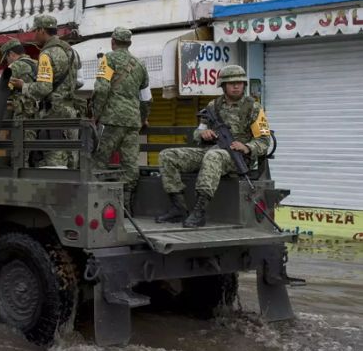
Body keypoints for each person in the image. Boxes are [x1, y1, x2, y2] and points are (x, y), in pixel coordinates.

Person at [155, 65, 271, 228]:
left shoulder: (254, 108)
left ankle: (199, 211)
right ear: (223, 85)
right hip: (212, 150)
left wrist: (247, 147)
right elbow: (198, 132)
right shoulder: (213, 106)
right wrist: (204, 134)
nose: (236, 86)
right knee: (167, 155)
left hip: (238, 158)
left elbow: (264, 140)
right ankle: (178, 207)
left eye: (239, 82)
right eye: (231, 83)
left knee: (213, 157)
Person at [10, 14, 83, 168]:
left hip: (54, 114)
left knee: (54, 161)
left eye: (35, 31)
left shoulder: (46, 54)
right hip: (71, 111)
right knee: (71, 159)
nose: (34, 35)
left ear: (42, 30)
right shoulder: (72, 51)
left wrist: (23, 86)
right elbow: (78, 82)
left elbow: (44, 87)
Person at [91, 27, 151, 213]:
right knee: (130, 164)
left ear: (113, 41)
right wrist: (142, 118)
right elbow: (146, 98)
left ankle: (97, 204)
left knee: (99, 161)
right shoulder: (140, 64)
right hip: (132, 122)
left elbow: (101, 90)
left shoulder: (107, 59)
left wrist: (96, 114)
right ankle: (126, 206)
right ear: (130, 43)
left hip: (111, 120)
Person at [1, 38, 40, 165]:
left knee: (19, 154)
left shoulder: (15, 66)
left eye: (7, 58)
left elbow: (4, 90)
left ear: (11, 54)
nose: (7, 62)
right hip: (40, 114)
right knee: (34, 153)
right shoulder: (37, 63)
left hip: (23, 116)